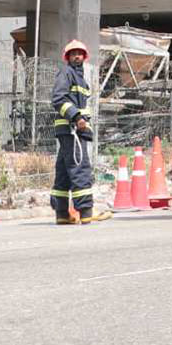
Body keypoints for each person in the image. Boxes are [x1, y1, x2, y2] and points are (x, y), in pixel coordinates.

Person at [50, 40, 110, 225]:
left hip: (72, 131)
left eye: (80, 53)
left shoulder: (80, 79)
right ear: (67, 57)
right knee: (80, 168)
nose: (77, 56)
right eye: (73, 53)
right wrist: (76, 118)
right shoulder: (67, 73)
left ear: (84, 57)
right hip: (72, 130)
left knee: (64, 172)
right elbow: (58, 99)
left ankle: (61, 214)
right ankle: (86, 212)